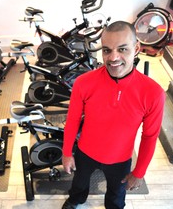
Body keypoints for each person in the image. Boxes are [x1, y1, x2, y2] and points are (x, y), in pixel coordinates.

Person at [61, 21, 165, 209]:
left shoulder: (153, 93)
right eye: (107, 50)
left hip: (120, 159)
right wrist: (67, 152)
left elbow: (150, 136)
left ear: (137, 48)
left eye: (122, 49)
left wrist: (139, 171)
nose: (113, 58)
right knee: (78, 185)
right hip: (85, 152)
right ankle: (75, 201)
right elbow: (73, 120)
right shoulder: (84, 82)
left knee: (116, 196)